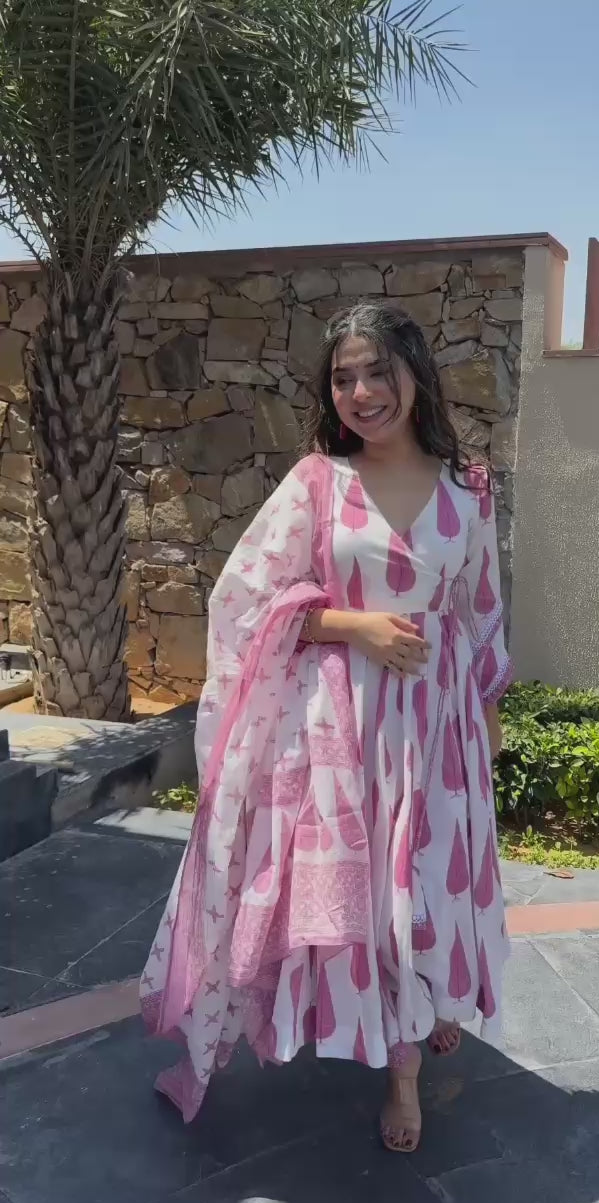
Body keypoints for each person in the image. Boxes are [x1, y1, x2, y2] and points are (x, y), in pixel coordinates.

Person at [141, 300, 512, 1153]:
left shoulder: (470, 488)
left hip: (439, 729)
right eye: (344, 378)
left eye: (378, 371)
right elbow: (245, 601)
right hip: (343, 732)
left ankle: (420, 1021)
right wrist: (353, 626)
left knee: (425, 885)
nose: (361, 392)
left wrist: (488, 719)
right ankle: (400, 1062)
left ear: (415, 373)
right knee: (373, 894)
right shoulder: (318, 482)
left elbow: (482, 608)